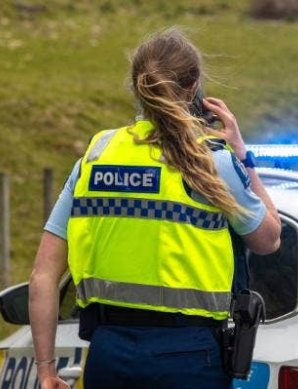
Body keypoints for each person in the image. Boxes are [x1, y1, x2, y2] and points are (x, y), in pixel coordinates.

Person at [28, 28, 281, 389]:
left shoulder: (96, 156)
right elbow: (269, 239)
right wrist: (244, 156)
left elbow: (42, 277)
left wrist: (46, 370)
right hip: (189, 359)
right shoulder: (211, 160)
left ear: (136, 86)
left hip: (108, 354)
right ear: (193, 87)